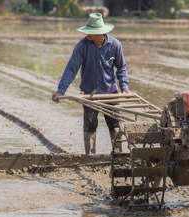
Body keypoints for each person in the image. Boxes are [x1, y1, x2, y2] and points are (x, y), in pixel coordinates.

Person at [52, 13, 130, 154]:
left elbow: (121, 67)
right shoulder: (82, 46)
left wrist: (124, 87)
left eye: (91, 32)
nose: (87, 33)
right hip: (90, 93)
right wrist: (60, 90)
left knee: (115, 125)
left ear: (100, 33)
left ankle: (118, 156)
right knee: (90, 126)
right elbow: (72, 68)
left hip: (110, 93)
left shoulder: (115, 45)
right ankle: (90, 157)